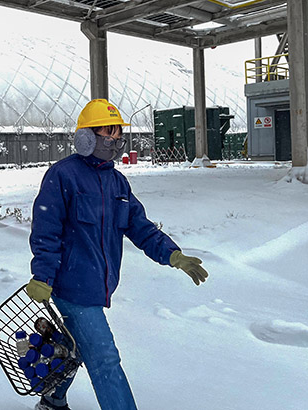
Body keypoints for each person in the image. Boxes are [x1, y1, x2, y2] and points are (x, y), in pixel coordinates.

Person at [26, 99, 209, 410]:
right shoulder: (63, 176)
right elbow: (47, 232)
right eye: (106, 134)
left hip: (99, 287)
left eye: (117, 135)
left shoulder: (117, 182)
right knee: (105, 359)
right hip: (71, 287)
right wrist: (42, 276)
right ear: (85, 137)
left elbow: (140, 227)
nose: (113, 142)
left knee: (78, 347)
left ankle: (52, 399)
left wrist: (173, 255)